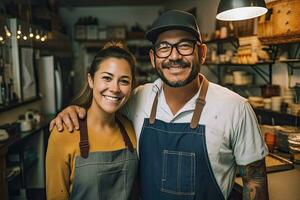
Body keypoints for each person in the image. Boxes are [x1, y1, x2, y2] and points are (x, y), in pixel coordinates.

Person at [50, 10, 269, 200]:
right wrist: (74, 110)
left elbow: (255, 184)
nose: (174, 56)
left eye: (184, 46)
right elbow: (105, 102)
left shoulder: (236, 108)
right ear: (154, 58)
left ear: (202, 53)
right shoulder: (137, 98)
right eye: (164, 48)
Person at [46, 42, 139, 200]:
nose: (115, 88)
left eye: (124, 81)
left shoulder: (132, 128)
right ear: (90, 79)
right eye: (107, 78)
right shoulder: (64, 132)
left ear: (131, 87)